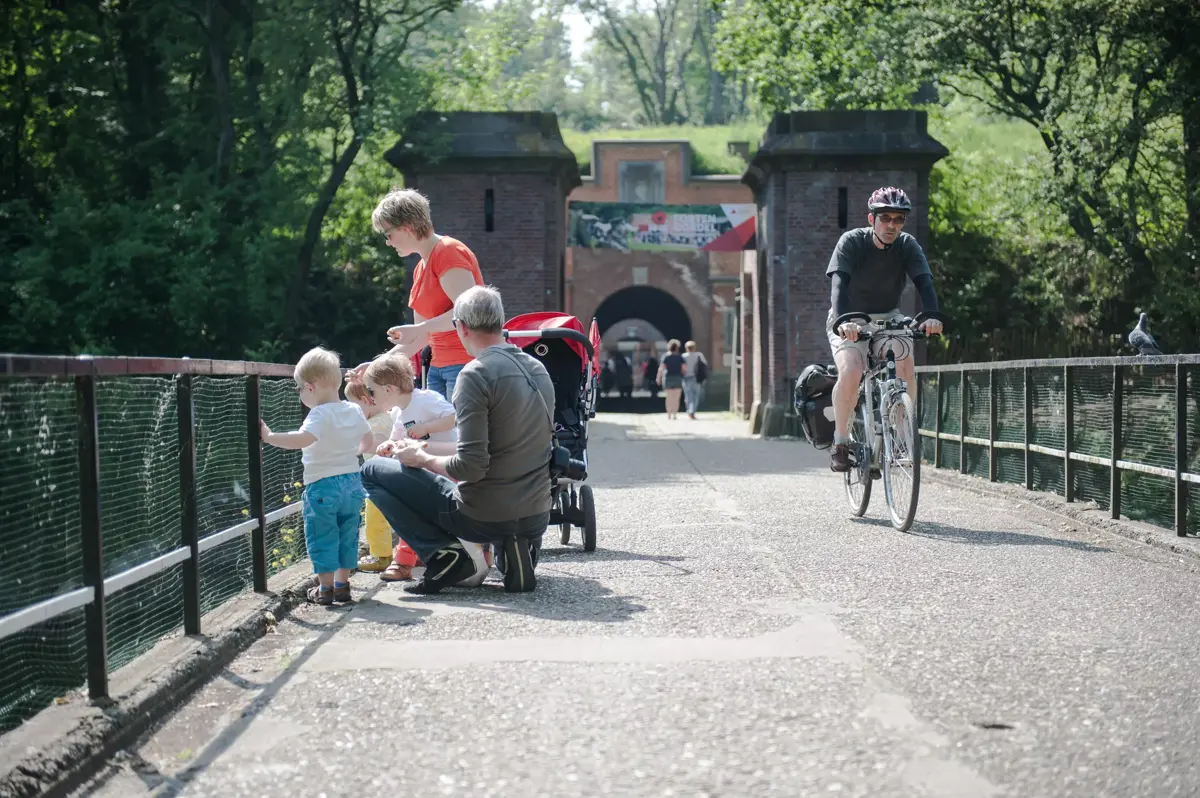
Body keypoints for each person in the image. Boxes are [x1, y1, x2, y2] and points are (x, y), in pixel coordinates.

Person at [361, 286, 553, 595]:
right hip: (536, 513)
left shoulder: (474, 375)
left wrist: (420, 457)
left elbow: (470, 466)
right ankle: (515, 542)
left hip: (483, 517)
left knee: (371, 472)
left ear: (461, 327)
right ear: (500, 322)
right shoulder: (539, 369)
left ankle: (444, 555)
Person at [826, 187, 943, 473]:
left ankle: (904, 436)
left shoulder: (908, 245)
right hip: (850, 317)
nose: (892, 225)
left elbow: (924, 283)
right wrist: (843, 321)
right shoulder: (851, 242)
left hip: (889, 317)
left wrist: (931, 316)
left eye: (898, 219)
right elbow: (838, 285)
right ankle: (840, 442)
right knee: (852, 370)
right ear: (872, 218)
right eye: (885, 218)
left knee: (904, 362)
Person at [259, 347, 373, 605]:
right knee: (348, 534)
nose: (300, 394)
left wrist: (269, 437)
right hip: (352, 483)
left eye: (299, 389)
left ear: (309, 387)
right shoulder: (354, 410)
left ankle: (325, 588)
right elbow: (367, 440)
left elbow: (303, 439)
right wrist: (352, 451)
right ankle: (343, 584)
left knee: (322, 536)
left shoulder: (318, 414)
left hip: (323, 486)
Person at [349, 187, 485, 400]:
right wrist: (378, 364)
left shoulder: (448, 252)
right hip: (438, 369)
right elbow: (421, 337)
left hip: (465, 365)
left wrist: (418, 328)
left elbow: (467, 314)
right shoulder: (421, 267)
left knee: (457, 434)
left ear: (407, 227)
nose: (388, 242)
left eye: (388, 234)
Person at [361, 354, 472, 582]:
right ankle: (407, 559)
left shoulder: (425, 399)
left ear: (389, 389)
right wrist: (388, 445)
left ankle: (405, 561)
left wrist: (426, 427)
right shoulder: (399, 412)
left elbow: (455, 417)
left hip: (447, 467)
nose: (371, 397)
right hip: (425, 469)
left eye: (372, 391)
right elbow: (397, 438)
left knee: (414, 506)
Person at [344, 381, 399, 574]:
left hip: (380, 478)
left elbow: (377, 445)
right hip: (387, 476)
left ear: (366, 400)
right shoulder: (382, 419)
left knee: (375, 515)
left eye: (354, 405)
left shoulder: (378, 422)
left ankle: (382, 555)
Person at [657, 339, 687, 419]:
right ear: (677, 348)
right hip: (677, 377)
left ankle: (669, 414)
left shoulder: (665, 356)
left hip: (668, 378)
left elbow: (661, 368)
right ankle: (674, 414)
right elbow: (684, 368)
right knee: (676, 398)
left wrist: (658, 378)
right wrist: (683, 375)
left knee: (669, 397)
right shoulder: (680, 357)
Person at [681, 340, 707, 420]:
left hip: (686, 377)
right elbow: (705, 364)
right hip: (696, 377)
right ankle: (693, 411)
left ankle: (689, 411)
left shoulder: (683, 356)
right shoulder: (699, 355)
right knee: (696, 395)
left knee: (688, 395)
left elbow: (681, 367)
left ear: (686, 348)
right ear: (694, 348)